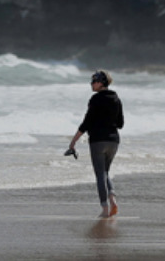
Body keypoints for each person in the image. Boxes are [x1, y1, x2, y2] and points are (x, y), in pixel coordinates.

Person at [68, 69, 124, 218]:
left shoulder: (95, 99)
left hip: (98, 141)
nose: (91, 84)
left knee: (100, 174)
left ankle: (105, 209)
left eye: (94, 81)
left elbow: (86, 123)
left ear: (101, 83)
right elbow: (120, 124)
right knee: (105, 172)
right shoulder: (116, 99)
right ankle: (113, 201)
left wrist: (73, 141)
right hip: (114, 141)